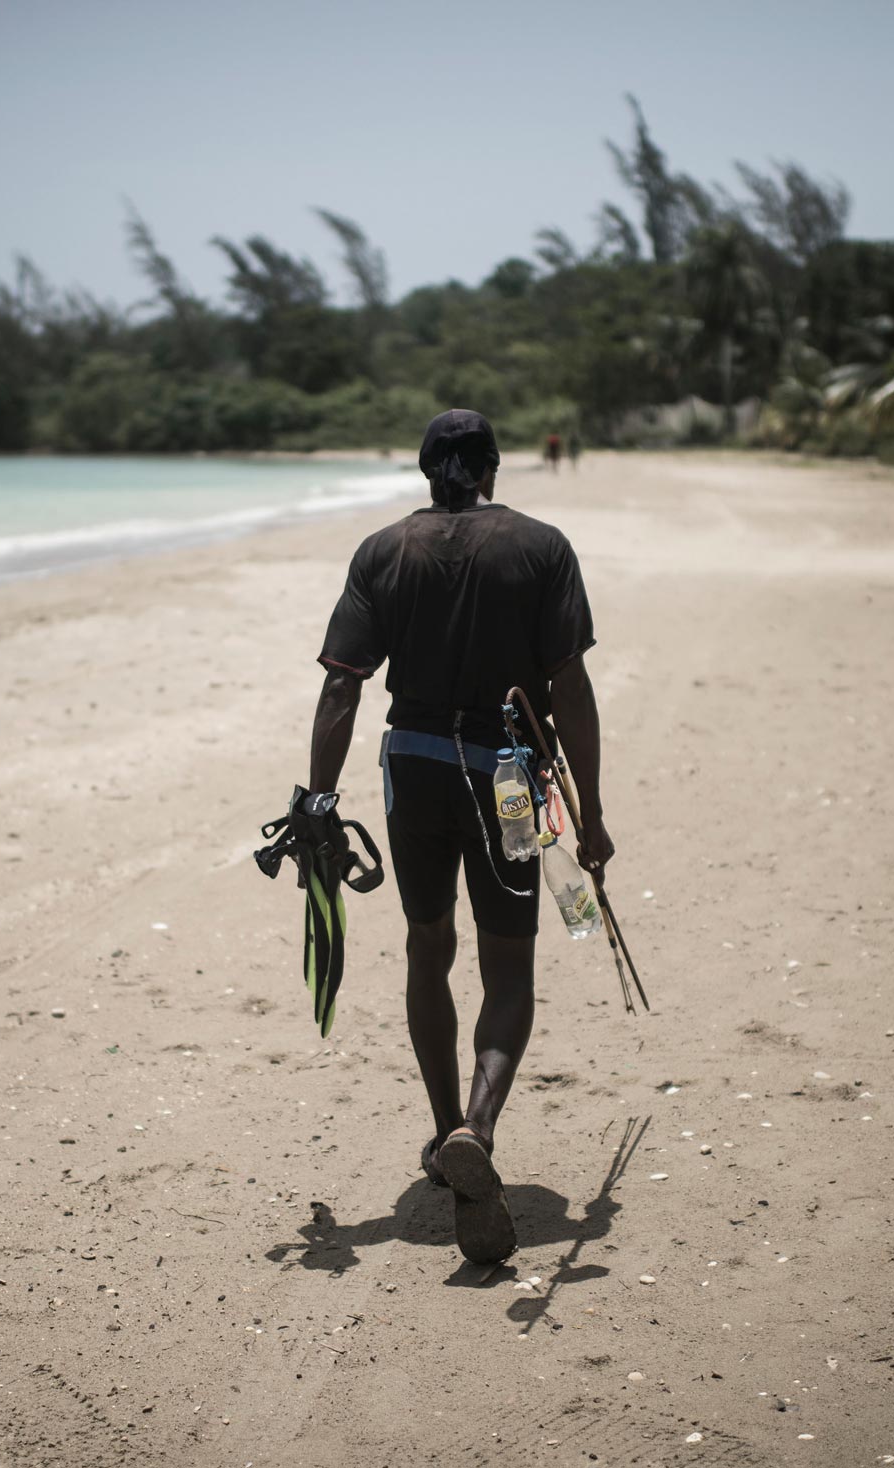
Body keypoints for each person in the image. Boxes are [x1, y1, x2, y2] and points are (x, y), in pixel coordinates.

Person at [306, 408, 613, 1265]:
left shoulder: (383, 551)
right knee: (507, 963)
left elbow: (342, 688)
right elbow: (572, 688)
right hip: (508, 776)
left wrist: (317, 804)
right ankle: (476, 1128)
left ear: (424, 471)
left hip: (414, 770)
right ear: (494, 469)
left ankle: (446, 1129)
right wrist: (591, 815)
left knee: (425, 946)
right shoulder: (541, 547)